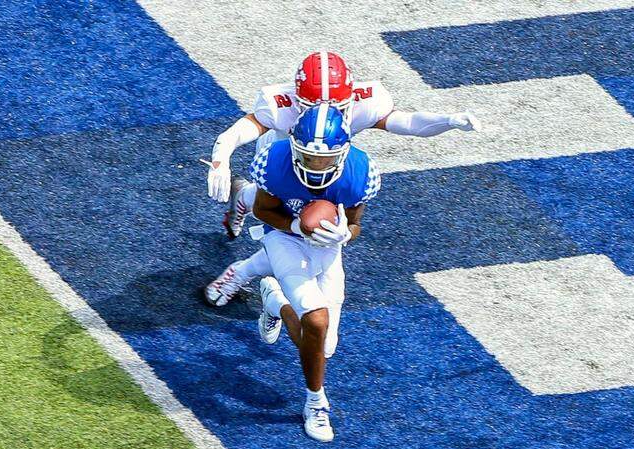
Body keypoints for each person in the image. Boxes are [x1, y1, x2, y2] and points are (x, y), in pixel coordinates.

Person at [202, 50, 477, 307]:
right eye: (310, 106)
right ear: (297, 98)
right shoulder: (280, 105)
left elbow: (407, 123)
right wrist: (220, 161)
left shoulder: (365, 102)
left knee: (313, 233)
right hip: (284, 159)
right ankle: (244, 233)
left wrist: (448, 120)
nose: (323, 110)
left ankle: (243, 213)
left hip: (335, 166)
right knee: (290, 225)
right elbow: (237, 132)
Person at [241, 102, 379, 442]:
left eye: (325, 158)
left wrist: (346, 234)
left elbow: (356, 223)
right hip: (284, 239)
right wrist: (295, 227)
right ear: (294, 146)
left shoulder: (361, 170)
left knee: (323, 346)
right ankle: (315, 401)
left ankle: (275, 302)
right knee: (316, 322)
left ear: (343, 152)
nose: (317, 165)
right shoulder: (274, 160)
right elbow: (262, 210)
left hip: (327, 248)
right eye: (309, 156)